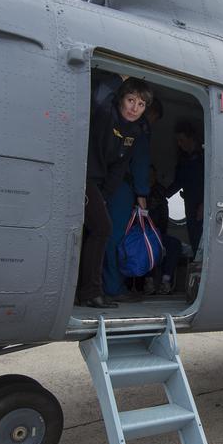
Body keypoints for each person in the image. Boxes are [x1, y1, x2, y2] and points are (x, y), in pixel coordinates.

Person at [76, 76, 154, 309]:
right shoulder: (106, 115)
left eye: (141, 105)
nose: (134, 108)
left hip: (100, 184)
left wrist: (106, 195)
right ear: (121, 99)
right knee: (103, 229)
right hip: (83, 177)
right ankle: (90, 292)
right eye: (131, 100)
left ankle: (88, 291)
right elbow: (100, 97)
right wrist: (118, 77)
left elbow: (119, 167)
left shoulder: (135, 130)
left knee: (99, 229)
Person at [164, 119, 204, 257]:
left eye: (181, 140)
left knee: (200, 239)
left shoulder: (203, 157)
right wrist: (162, 195)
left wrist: (205, 204)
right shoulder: (184, 160)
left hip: (201, 206)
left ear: (190, 138)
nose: (179, 144)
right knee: (193, 238)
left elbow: (210, 181)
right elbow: (178, 182)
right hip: (190, 205)